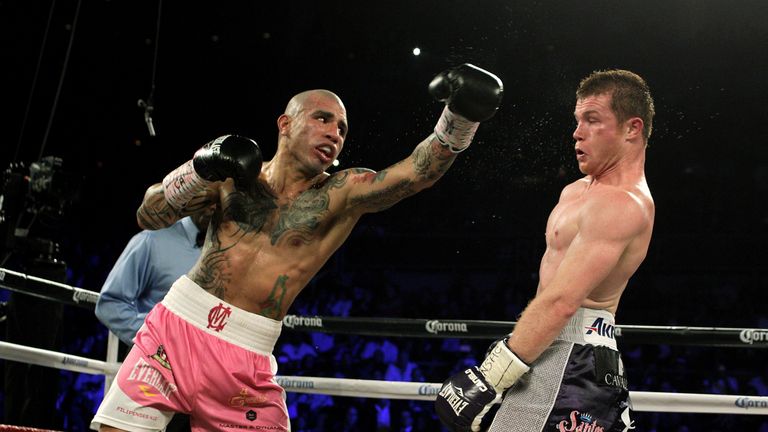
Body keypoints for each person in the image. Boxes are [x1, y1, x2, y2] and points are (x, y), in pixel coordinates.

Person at [91, 63, 504, 431]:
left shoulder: (341, 193)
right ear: (285, 124)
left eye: (342, 128)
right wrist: (198, 171)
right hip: (174, 328)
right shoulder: (233, 177)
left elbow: (417, 173)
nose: (334, 133)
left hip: (245, 356)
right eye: (323, 119)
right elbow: (151, 215)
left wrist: (460, 117)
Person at [435, 69, 655, 432]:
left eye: (592, 120)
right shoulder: (577, 191)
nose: (577, 132)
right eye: (577, 120)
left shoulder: (623, 204)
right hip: (555, 353)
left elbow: (562, 301)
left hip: (571, 359)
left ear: (632, 128)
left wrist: (489, 377)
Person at [94, 211, 212, 431]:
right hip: (157, 370)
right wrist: (158, 338)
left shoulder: (236, 250)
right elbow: (110, 303)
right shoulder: (153, 240)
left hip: (211, 376)